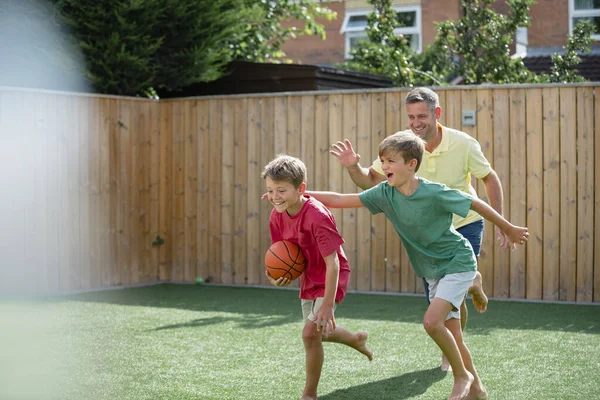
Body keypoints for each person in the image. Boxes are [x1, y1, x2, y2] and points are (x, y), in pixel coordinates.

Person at [308, 132, 528, 400]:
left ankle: (463, 376)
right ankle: (478, 390)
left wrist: (508, 227)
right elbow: (340, 199)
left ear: (411, 164)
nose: (384, 166)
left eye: (390, 161)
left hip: (457, 261)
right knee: (454, 335)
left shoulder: (433, 192)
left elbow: (475, 202)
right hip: (432, 270)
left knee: (432, 322)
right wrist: (299, 193)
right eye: (381, 161)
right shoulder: (385, 193)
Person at [331, 87, 505, 370]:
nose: (415, 123)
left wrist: (501, 222)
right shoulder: (403, 147)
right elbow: (371, 182)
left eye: (421, 116)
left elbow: (489, 178)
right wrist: (353, 167)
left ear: (437, 114)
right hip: (428, 236)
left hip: (464, 224)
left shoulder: (463, 143)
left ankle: (452, 354)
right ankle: (472, 284)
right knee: (446, 298)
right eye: (411, 117)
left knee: (449, 297)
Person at [261, 154, 373, 400]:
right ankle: (356, 339)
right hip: (309, 274)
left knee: (310, 334)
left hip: (331, 272)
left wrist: (328, 305)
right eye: (270, 190)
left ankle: (309, 394)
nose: (274, 196)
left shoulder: (316, 216)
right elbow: (281, 254)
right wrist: (275, 275)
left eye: (281, 190)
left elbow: (332, 263)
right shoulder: (276, 215)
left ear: (301, 189)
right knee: (319, 332)